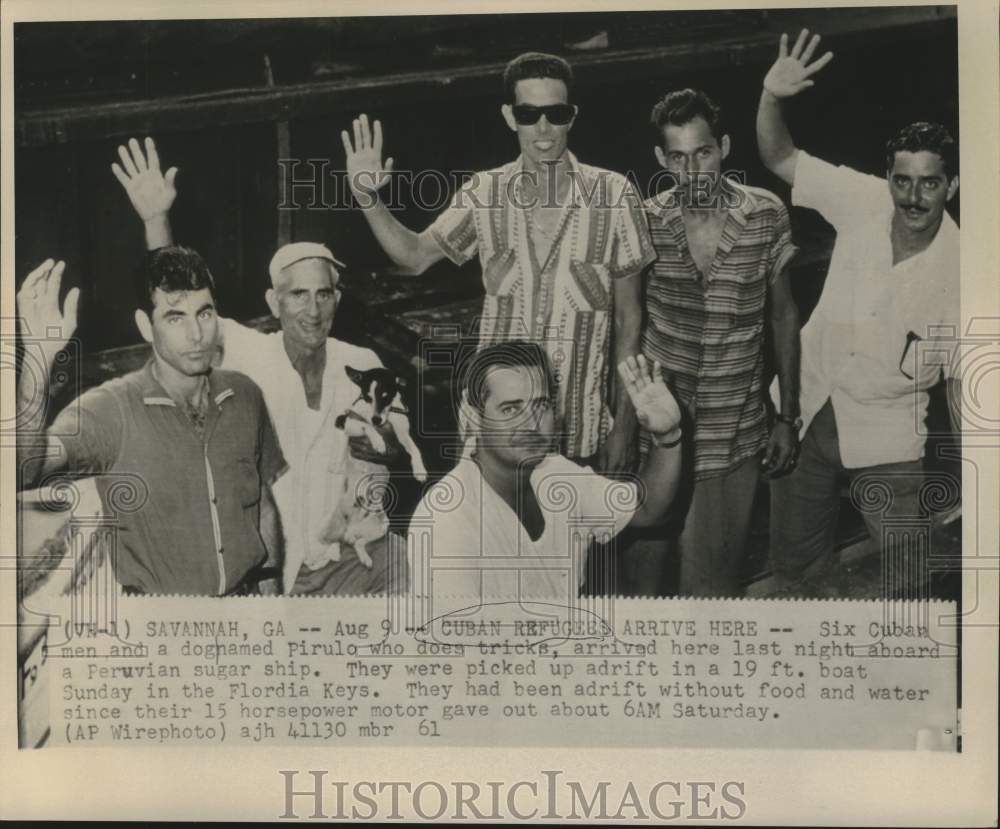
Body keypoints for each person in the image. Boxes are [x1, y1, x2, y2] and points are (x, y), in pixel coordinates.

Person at [112, 138, 413, 595]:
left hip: (357, 555)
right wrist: (156, 220)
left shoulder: (362, 363)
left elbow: (398, 451)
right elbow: (180, 303)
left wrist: (384, 442)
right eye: (298, 295)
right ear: (274, 302)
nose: (312, 310)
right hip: (282, 571)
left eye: (323, 294)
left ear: (338, 299)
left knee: (432, 589)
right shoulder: (248, 354)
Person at [341, 52, 657, 472]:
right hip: (495, 435)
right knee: (495, 538)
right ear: (510, 117)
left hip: (579, 433)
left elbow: (629, 325)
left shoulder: (615, 196)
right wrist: (369, 199)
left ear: (572, 116)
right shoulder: (485, 193)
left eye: (555, 113)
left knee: (577, 539)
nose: (543, 129)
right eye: (529, 114)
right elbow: (413, 256)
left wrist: (624, 430)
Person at [756, 29, 962, 595]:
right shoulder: (863, 199)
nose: (912, 198)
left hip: (890, 435)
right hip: (805, 412)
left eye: (929, 183)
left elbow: (966, 390)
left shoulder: (968, 268)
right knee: (794, 571)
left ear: (952, 185)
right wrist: (773, 96)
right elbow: (778, 154)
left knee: (909, 581)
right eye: (902, 180)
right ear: (888, 178)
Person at [15, 249, 286, 596]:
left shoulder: (245, 394)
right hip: (162, 626)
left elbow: (262, 502)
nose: (196, 334)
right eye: (175, 318)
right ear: (146, 325)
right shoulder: (111, 409)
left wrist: (273, 597)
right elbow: (24, 468)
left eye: (204, 313)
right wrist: (38, 361)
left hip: (244, 616)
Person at [627, 88, 800, 598]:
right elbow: (625, 325)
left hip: (735, 430)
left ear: (722, 147)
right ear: (662, 159)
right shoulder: (642, 220)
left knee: (711, 594)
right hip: (655, 435)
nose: (693, 169)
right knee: (639, 588)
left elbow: (784, 317)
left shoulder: (766, 214)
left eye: (703, 152)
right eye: (677, 157)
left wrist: (787, 416)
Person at [408, 343, 682, 607]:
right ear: (471, 416)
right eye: (511, 409)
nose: (532, 424)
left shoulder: (555, 473)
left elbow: (648, 510)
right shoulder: (445, 519)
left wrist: (667, 435)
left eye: (540, 405)